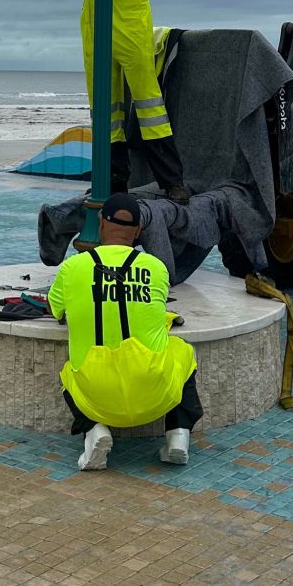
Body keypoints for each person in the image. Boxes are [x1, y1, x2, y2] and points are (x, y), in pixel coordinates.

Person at [47, 0, 189, 203]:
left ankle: (172, 182)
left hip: (130, 26)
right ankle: (112, 182)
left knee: (148, 103)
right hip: (94, 26)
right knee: (105, 108)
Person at [47, 193, 202, 470]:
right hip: (154, 393)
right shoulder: (156, 268)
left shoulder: (72, 268)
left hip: (96, 396)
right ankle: (178, 435)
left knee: (69, 372)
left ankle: (95, 431)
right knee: (183, 351)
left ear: (101, 225)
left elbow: (55, 309)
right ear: (139, 231)